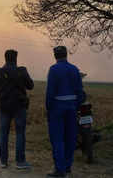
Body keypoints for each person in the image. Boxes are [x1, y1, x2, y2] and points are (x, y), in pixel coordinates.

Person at [46, 46, 84, 177]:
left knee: (57, 139)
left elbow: (50, 92)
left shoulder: (53, 70)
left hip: (57, 107)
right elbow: (80, 91)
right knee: (70, 138)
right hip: (72, 108)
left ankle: (59, 169)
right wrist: (77, 105)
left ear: (55, 56)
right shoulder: (74, 69)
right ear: (66, 55)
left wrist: (48, 108)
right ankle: (67, 167)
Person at [0, 49, 34, 169]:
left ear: (5, 58)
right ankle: (20, 162)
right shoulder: (22, 71)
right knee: (20, 133)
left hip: (4, 106)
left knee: (3, 133)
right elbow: (30, 86)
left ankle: (3, 161)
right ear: (16, 58)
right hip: (19, 106)